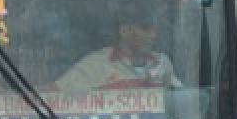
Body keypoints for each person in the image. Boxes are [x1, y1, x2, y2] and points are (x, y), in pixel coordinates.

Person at [54, 20, 182, 91]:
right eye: (145, 28)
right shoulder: (95, 65)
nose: (153, 36)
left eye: (155, 30)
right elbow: (54, 95)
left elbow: (181, 103)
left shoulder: (162, 62)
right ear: (124, 30)